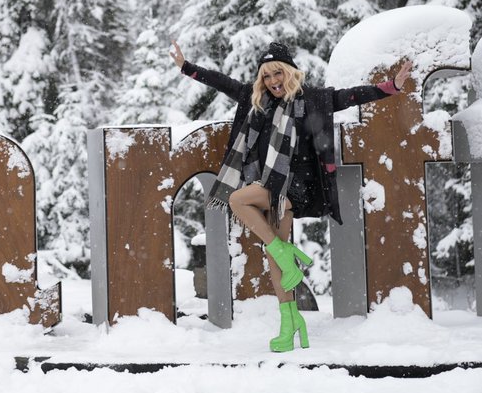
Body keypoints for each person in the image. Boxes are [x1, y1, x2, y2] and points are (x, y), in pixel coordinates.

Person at [170, 40, 411, 352]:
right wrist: (187, 68)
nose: (272, 82)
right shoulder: (254, 99)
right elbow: (221, 82)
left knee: (237, 199)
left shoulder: (310, 99)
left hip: (299, 184)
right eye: (267, 76)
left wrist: (389, 87)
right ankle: (291, 323)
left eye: (277, 74)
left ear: (289, 72)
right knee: (276, 256)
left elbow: (348, 97)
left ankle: (285, 255)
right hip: (269, 185)